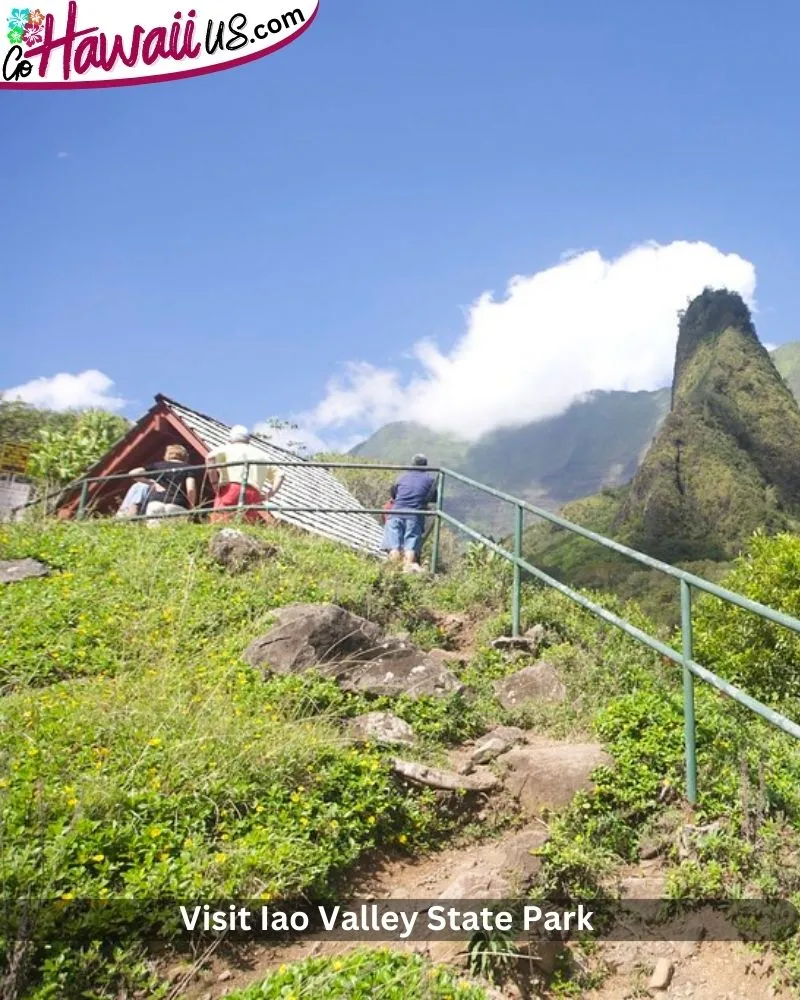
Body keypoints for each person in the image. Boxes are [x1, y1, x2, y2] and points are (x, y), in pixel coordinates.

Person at [205, 425, 285, 524]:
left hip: (230, 489)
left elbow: (210, 458)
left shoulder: (227, 448)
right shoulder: (261, 455)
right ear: (248, 439)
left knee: (221, 522)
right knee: (246, 524)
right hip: (253, 493)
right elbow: (280, 475)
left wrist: (214, 483)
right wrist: (269, 494)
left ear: (230, 439)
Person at [386, 454, 437, 572]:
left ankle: (394, 569)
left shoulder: (401, 477)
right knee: (410, 543)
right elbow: (434, 498)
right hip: (414, 516)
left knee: (394, 545)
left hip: (395, 514)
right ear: (425, 466)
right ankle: (407, 567)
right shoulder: (430, 480)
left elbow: (393, 494)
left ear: (412, 464)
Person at [129, 444, 197, 528]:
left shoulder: (158, 466)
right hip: (177, 504)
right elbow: (190, 489)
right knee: (175, 535)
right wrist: (191, 507)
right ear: (185, 456)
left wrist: (152, 483)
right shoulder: (188, 468)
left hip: (156, 503)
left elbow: (133, 473)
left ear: (167, 455)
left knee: (155, 535)